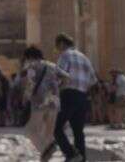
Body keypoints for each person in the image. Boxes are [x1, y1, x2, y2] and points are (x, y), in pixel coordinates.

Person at [21, 46, 70, 162]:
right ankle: (45, 157)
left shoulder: (31, 66)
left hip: (39, 102)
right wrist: (57, 89)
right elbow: (67, 78)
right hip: (54, 101)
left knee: (31, 130)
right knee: (48, 133)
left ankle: (45, 149)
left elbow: (30, 83)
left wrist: (26, 97)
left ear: (30, 57)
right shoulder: (52, 65)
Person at [54, 33, 97, 162]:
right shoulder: (85, 58)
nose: (58, 50)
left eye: (57, 47)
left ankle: (71, 154)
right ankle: (81, 159)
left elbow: (59, 75)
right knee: (78, 131)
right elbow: (93, 81)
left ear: (62, 43)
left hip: (68, 95)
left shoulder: (65, 55)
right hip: (82, 97)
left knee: (55, 128)